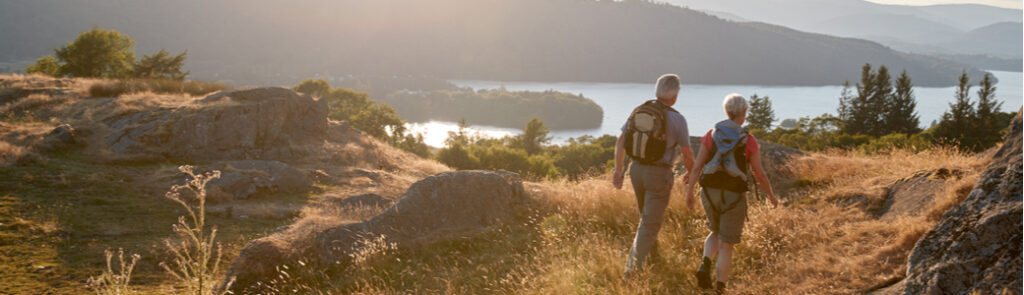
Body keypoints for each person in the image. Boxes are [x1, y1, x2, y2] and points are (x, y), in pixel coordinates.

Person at [685, 93, 778, 294]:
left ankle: (705, 263)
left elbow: (697, 167)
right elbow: (759, 173)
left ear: (726, 112)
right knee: (727, 245)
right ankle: (720, 288)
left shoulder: (711, 135)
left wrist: (690, 192)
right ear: (744, 114)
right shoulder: (749, 140)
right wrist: (771, 195)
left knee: (715, 231)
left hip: (709, 193)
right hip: (734, 196)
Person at [612, 74, 695, 278]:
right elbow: (687, 152)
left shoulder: (639, 110)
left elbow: (621, 140)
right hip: (658, 172)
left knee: (647, 218)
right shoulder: (677, 118)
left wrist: (618, 169)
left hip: (636, 170)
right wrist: (692, 173)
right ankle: (631, 271)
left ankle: (653, 257)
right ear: (674, 95)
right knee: (649, 222)